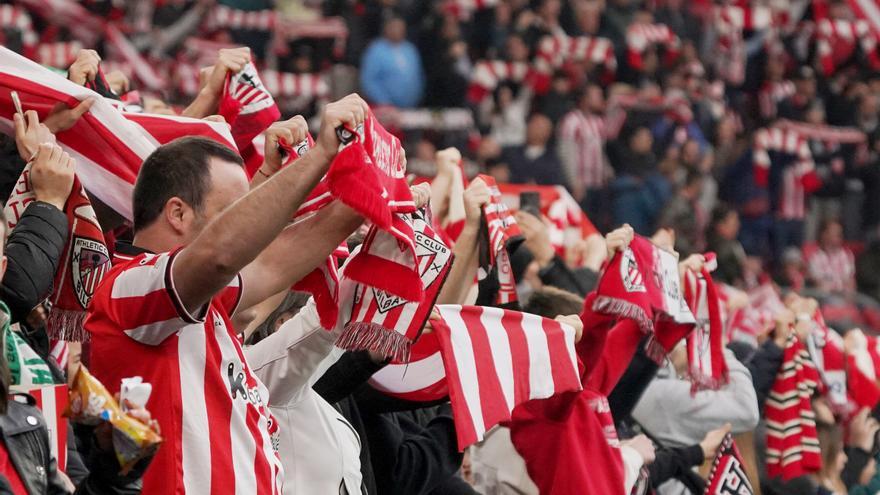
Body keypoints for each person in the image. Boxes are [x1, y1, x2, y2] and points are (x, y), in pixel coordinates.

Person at [85, 95, 369, 494]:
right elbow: (220, 253)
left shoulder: (209, 303)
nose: (243, 223)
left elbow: (275, 261)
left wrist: (370, 191)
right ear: (178, 213)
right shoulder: (127, 287)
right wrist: (320, 155)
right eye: (232, 210)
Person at [360, 17, 425, 108]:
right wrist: (383, 101)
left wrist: (417, 97)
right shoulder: (376, 50)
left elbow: (418, 76)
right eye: (394, 27)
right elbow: (369, 79)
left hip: (411, 106)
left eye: (400, 28)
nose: (397, 31)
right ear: (386, 29)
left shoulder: (410, 49)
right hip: (384, 108)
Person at [502, 113, 568, 188]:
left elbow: (556, 185)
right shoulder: (511, 152)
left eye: (538, 126)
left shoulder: (553, 160)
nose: (533, 128)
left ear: (548, 132)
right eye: (531, 124)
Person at [807, 218, 856, 295]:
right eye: (833, 233)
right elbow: (819, 283)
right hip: (825, 298)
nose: (837, 236)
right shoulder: (814, 257)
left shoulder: (847, 255)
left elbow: (849, 281)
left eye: (839, 234)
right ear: (823, 235)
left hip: (845, 297)